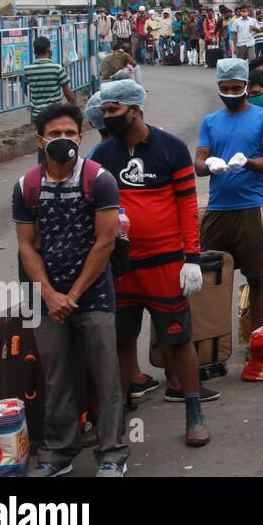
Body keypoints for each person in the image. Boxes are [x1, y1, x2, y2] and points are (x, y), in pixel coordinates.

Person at [91, 79, 213, 443]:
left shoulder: (171, 148)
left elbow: (188, 205)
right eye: (105, 110)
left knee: (178, 339)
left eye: (113, 110)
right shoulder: (101, 156)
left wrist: (191, 256)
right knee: (120, 340)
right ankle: (121, 409)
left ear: (135, 110)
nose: (107, 116)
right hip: (120, 266)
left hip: (165, 263)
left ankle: (194, 411)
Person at [15, 102, 127, 477]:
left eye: (69, 134)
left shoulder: (99, 179)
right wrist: (49, 294)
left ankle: (112, 453)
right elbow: (27, 246)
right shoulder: (26, 186)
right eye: (54, 135)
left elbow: (105, 243)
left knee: (105, 372)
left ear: (81, 138)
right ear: (40, 140)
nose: (62, 140)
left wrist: (73, 295)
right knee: (55, 375)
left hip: (92, 294)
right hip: (44, 297)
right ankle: (59, 450)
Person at [195, 59, 263, 335]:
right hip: (218, 208)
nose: (230, 93)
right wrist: (210, 164)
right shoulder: (210, 122)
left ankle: (258, 337)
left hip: (251, 207)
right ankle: (212, 342)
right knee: (210, 279)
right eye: (225, 88)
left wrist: (247, 163)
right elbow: (198, 164)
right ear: (218, 87)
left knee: (256, 277)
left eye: (236, 87)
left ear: (245, 86)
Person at [24, 36, 77, 123]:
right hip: (55, 113)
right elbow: (67, 92)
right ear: (49, 50)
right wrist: (74, 107)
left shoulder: (28, 70)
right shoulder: (57, 68)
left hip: (37, 114)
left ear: (34, 52)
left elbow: (28, 85)